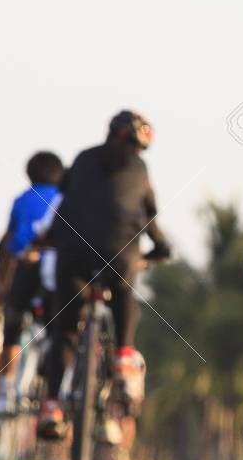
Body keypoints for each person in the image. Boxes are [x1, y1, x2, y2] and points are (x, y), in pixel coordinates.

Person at [39, 110, 170, 441]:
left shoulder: (83, 159)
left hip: (72, 252)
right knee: (125, 292)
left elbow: (65, 202)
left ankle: (53, 405)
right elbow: (149, 216)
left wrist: (49, 238)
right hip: (120, 252)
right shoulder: (141, 169)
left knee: (66, 331)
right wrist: (160, 248)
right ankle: (124, 355)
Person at [0, 151, 64, 420]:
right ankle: (58, 389)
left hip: (28, 266)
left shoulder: (21, 201)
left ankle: (3, 394)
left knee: (11, 329)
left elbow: (10, 244)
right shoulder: (65, 200)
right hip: (58, 271)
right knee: (60, 329)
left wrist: (2, 282)